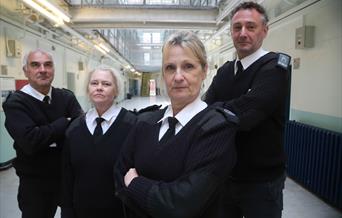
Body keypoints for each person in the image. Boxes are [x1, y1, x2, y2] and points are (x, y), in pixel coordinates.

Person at [115, 31, 238, 218]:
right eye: (170, 68)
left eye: (188, 66)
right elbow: (119, 174)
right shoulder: (145, 122)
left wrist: (135, 184)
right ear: (163, 74)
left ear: (204, 71)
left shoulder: (217, 128)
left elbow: (182, 204)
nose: (178, 77)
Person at [205, 2, 291, 218]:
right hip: (225, 175)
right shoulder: (225, 70)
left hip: (262, 182)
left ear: (264, 30)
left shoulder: (275, 67)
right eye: (237, 27)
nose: (242, 33)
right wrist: (224, 110)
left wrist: (215, 111)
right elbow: (204, 109)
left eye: (250, 27)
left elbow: (246, 116)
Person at [2, 49, 83, 218]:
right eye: (35, 65)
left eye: (48, 65)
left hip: (67, 175)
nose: (42, 69)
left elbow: (80, 132)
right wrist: (64, 123)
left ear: (53, 69)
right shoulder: (16, 103)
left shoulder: (66, 97)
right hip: (35, 182)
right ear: (26, 70)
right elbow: (30, 142)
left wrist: (44, 134)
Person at [61, 67, 137, 218]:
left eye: (106, 84)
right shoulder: (74, 128)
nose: (99, 88)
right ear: (88, 89)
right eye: (94, 83)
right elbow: (67, 176)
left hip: (118, 211)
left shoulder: (132, 125)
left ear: (116, 90)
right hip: (82, 210)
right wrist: (67, 210)